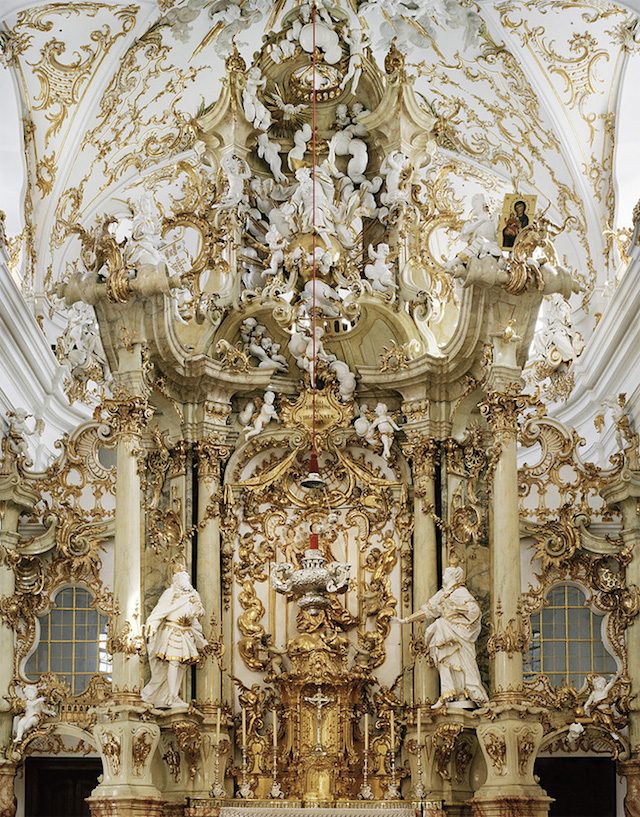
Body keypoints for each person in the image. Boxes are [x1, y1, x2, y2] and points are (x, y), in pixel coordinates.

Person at [396, 565, 488, 707]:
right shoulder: (442, 594)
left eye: (446, 575)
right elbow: (427, 610)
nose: (443, 577)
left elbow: (474, 611)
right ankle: (448, 693)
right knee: (443, 658)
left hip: (460, 632)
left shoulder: (461, 592)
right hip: (444, 628)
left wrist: (456, 608)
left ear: (453, 577)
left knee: (464, 663)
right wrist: (406, 620)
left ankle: (468, 692)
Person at [142, 571, 208, 709]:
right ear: (177, 580)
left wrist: (197, 609)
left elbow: (198, 615)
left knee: (183, 664)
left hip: (186, 633)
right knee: (173, 662)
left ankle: (173, 695)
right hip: (172, 631)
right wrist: (152, 625)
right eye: (183, 578)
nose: (186, 581)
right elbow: (160, 611)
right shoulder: (170, 593)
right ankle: (170, 697)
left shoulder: (193, 595)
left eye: (187, 578)